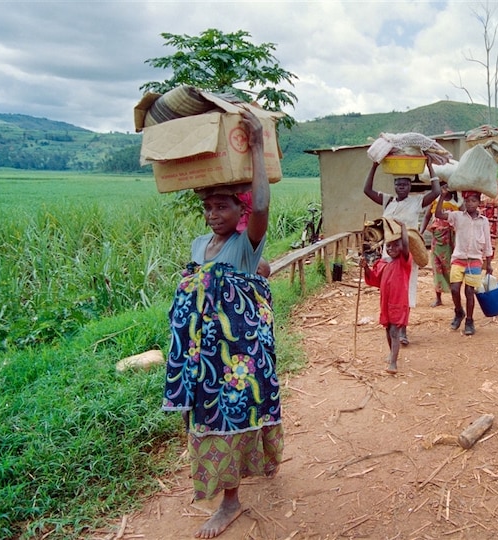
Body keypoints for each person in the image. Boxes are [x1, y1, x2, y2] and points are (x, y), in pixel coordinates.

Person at [162, 112, 283, 539]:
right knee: (207, 417)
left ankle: (230, 502)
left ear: (241, 210)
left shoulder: (245, 244)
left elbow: (264, 205)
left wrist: (253, 147)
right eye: (208, 207)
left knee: (230, 415)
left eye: (223, 206)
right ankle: (256, 467)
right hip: (202, 355)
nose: (213, 214)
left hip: (235, 357)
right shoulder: (201, 245)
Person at [363, 162, 440, 344]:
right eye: (398, 184)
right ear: (395, 186)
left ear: (410, 186)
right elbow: (367, 190)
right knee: (388, 289)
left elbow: (436, 192)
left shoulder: (416, 201)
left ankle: (402, 329)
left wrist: (429, 166)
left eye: (405, 185)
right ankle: (390, 324)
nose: (401, 187)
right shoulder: (388, 200)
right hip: (388, 252)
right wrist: (374, 166)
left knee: (405, 290)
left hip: (406, 253)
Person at [434, 190, 493, 336]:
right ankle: (459, 311)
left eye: (473, 201)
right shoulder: (457, 217)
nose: (470, 204)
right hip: (459, 258)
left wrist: (489, 263)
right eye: (467, 201)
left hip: (475, 260)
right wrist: (442, 195)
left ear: (479, 203)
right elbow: (438, 214)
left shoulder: (483, 221)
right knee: (454, 288)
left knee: (469, 292)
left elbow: (487, 243)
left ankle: (470, 320)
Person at [361, 219, 411, 374]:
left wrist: (403, 228)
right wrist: (366, 268)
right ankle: (391, 353)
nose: (392, 248)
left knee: (395, 331)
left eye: (397, 245)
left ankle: (394, 363)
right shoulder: (383, 263)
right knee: (388, 330)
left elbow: (406, 246)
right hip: (385, 303)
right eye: (389, 245)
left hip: (399, 303)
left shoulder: (404, 262)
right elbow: (374, 279)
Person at [420, 181, 459, 307]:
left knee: (451, 268)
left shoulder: (457, 202)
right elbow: (427, 217)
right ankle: (438, 297)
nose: (444, 188)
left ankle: (455, 295)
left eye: (446, 185)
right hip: (437, 239)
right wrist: (420, 233)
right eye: (441, 185)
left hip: (451, 240)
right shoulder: (435, 200)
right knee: (437, 267)